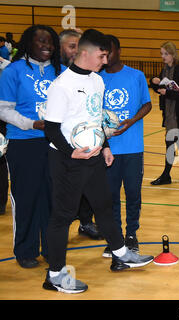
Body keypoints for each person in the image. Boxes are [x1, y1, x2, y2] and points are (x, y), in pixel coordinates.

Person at [43, 29, 153, 293]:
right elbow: (51, 127)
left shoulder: (97, 80)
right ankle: (55, 275)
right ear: (85, 53)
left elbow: (96, 119)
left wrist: (105, 146)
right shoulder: (62, 85)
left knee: (104, 206)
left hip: (92, 157)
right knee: (63, 216)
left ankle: (121, 252)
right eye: (101, 56)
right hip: (67, 159)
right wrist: (71, 152)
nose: (105, 61)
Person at [0, 25, 63, 269]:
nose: (47, 46)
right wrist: (32, 124)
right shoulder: (12, 72)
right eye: (41, 42)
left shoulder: (62, 72)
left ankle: (50, 247)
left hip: (55, 144)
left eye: (50, 42)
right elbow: (4, 110)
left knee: (52, 198)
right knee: (26, 197)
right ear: (28, 43)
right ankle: (25, 250)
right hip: (24, 143)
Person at [100, 34, 152, 255]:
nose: (106, 56)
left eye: (109, 51)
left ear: (119, 51)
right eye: (102, 52)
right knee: (110, 196)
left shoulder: (136, 76)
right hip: (107, 149)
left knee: (132, 194)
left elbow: (147, 104)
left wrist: (131, 121)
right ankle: (115, 238)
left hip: (132, 147)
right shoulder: (96, 79)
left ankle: (131, 234)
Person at [58, 28, 102, 240]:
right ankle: (54, 254)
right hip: (59, 149)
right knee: (61, 205)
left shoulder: (94, 78)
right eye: (71, 46)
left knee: (92, 193)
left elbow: (94, 113)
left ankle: (85, 221)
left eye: (79, 46)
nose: (76, 51)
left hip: (86, 148)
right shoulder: (60, 78)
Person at [149, 41, 179, 185]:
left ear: (172, 54)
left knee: (170, 142)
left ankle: (166, 175)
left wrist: (168, 92)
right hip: (168, 112)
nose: (163, 57)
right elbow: (159, 87)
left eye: (166, 54)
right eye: (161, 54)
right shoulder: (165, 70)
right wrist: (154, 81)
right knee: (178, 141)